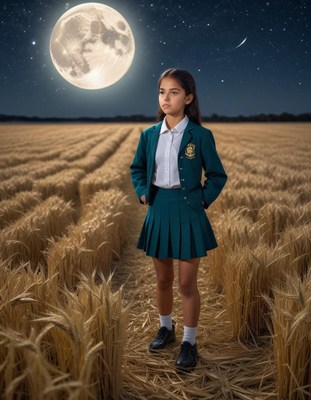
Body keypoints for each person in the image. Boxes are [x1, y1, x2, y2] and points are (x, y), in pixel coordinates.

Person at [130, 68, 227, 371]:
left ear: (188, 98)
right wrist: (143, 191)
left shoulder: (200, 135)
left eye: (174, 92)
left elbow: (217, 175)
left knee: (186, 283)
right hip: (159, 208)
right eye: (162, 92)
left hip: (188, 210)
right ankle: (165, 328)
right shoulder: (148, 135)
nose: (166, 98)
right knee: (162, 279)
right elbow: (138, 169)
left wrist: (201, 199)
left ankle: (189, 342)